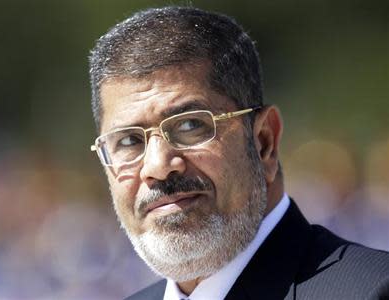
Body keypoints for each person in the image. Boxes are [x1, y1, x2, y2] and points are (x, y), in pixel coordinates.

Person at [88, 6, 389, 300]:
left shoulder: (371, 290)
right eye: (128, 141)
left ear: (263, 142)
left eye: (191, 125)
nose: (158, 166)